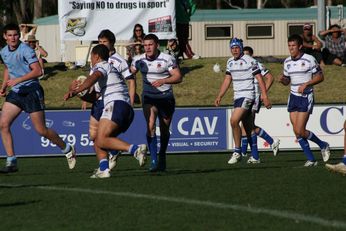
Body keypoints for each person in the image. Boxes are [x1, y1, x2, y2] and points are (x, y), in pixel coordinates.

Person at [0, 23, 76, 173]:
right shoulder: (3, 52)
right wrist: (3, 86)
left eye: (15, 35)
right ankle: (11, 161)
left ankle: (67, 148)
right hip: (16, 92)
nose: (13, 38)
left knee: (41, 130)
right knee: (3, 124)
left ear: (19, 36)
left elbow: (38, 71)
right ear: (4, 37)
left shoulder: (26, 50)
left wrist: (18, 80)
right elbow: (8, 68)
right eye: (9, 35)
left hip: (31, 91)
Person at [64, 44, 147, 179]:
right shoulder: (108, 70)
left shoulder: (101, 65)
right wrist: (81, 95)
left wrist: (76, 90)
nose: (90, 59)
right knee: (97, 138)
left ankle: (136, 150)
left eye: (91, 56)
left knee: (101, 139)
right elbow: (95, 97)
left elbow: (94, 76)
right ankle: (104, 169)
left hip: (116, 104)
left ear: (96, 56)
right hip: (124, 108)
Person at [214, 38, 271, 164]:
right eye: (232, 48)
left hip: (248, 95)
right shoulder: (230, 62)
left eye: (237, 47)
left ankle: (237, 151)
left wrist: (265, 96)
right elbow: (227, 80)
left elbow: (260, 79)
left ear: (241, 48)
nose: (234, 50)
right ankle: (256, 156)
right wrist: (219, 96)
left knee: (234, 120)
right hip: (237, 97)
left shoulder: (249, 60)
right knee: (247, 126)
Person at [131, 34, 182, 172]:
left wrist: (163, 81)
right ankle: (153, 160)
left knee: (165, 130)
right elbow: (130, 74)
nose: (147, 48)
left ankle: (162, 155)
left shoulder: (167, 58)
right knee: (151, 125)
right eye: (145, 45)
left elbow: (178, 76)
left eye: (150, 45)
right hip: (149, 97)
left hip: (166, 97)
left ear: (157, 45)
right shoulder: (138, 59)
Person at [279, 34, 330, 167]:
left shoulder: (309, 59)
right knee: (297, 131)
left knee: (300, 130)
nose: (291, 48)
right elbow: (287, 80)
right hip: (293, 97)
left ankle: (323, 145)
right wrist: (283, 80)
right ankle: (311, 159)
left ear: (300, 46)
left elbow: (320, 77)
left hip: (305, 96)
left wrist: (306, 84)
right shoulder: (287, 62)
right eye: (289, 46)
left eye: (293, 46)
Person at [240, 46, 280, 157]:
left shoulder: (255, 64)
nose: (245, 57)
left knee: (247, 125)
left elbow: (270, 77)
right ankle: (271, 142)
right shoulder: (243, 65)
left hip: (254, 97)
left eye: (247, 54)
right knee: (247, 125)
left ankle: (250, 155)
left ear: (252, 55)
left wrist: (263, 93)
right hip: (247, 97)